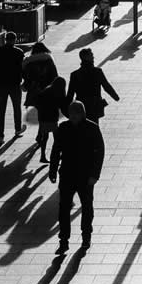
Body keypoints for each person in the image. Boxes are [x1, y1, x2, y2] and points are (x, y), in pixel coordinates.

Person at [49, 101, 104, 254]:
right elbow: (56, 150)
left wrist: (95, 175)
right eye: (71, 113)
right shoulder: (64, 128)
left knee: (87, 207)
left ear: (82, 113)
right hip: (67, 173)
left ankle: (86, 236)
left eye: (76, 113)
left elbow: (99, 152)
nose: (73, 116)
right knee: (64, 208)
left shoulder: (92, 128)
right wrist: (53, 170)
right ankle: (64, 240)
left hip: (85, 176)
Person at [0, 30, 25, 143]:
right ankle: (18, 130)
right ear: (14, 40)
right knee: (16, 108)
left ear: (5, 40)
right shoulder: (19, 52)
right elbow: (22, 69)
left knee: (1, 110)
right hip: (14, 84)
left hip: (1, 84)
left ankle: (0, 136)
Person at [66, 47, 120, 124]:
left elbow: (70, 93)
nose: (93, 57)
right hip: (95, 105)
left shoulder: (74, 74)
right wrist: (115, 97)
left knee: (82, 126)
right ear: (86, 57)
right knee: (94, 125)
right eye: (91, 55)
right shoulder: (97, 71)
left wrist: (67, 108)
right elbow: (106, 86)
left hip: (82, 106)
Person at [22, 42, 58, 130]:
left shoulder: (29, 62)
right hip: (48, 90)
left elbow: (26, 77)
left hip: (35, 90)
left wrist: (25, 86)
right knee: (46, 112)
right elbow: (55, 75)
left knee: (39, 112)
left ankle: (41, 132)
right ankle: (42, 133)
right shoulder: (49, 60)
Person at [34, 76, 68, 164]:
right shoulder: (57, 93)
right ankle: (59, 155)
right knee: (57, 138)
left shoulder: (47, 89)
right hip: (51, 118)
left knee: (45, 137)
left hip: (43, 117)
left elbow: (38, 102)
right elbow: (62, 106)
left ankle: (43, 156)